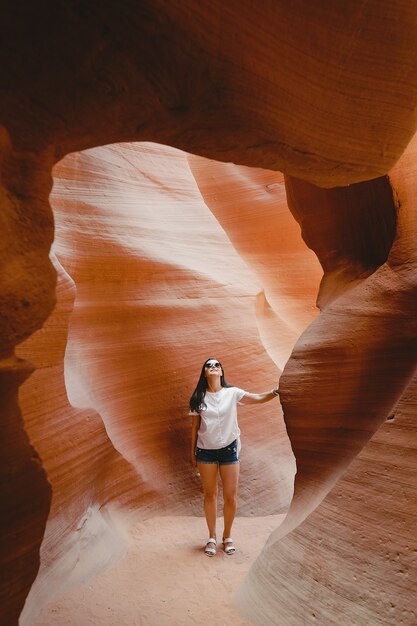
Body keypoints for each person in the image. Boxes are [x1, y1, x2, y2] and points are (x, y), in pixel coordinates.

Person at [189, 357, 279, 556]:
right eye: (208, 366)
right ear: (205, 373)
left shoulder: (233, 393)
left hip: (229, 450)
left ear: (221, 372)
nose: (213, 367)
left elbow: (256, 398)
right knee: (210, 495)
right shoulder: (198, 397)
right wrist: (193, 453)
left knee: (231, 497)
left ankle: (227, 536)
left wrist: (275, 392)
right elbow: (195, 427)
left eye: (216, 365)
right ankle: (211, 537)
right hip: (205, 451)